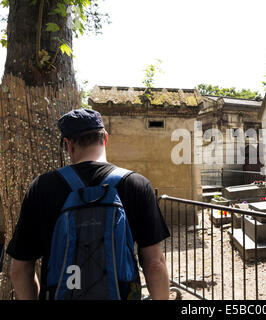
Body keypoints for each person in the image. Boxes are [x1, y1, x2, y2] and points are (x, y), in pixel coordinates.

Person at [6, 108, 170, 300]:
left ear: (68, 145)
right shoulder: (137, 184)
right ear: (105, 138)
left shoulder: (42, 187)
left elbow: (20, 270)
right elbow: (155, 264)